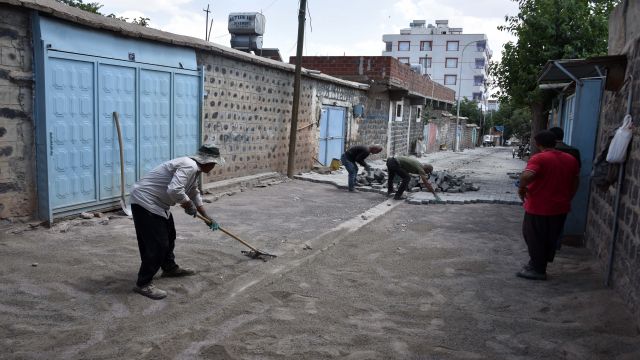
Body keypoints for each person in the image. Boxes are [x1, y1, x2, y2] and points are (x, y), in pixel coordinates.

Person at [129, 144, 224, 299]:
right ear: (207, 162)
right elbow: (174, 190)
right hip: (145, 200)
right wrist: (187, 205)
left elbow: (193, 192)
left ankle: (169, 267)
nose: (214, 167)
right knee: (158, 243)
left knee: (170, 235)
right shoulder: (189, 166)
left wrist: (207, 217)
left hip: (159, 203)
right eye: (214, 163)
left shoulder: (194, 170)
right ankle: (143, 283)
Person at [517, 130, 579, 280]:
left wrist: (522, 187)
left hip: (539, 206)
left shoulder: (539, 158)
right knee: (550, 238)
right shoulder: (571, 159)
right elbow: (576, 181)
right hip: (560, 207)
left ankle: (538, 269)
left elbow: (528, 175)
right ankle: (537, 264)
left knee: (533, 237)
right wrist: (569, 197)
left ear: (538, 144)